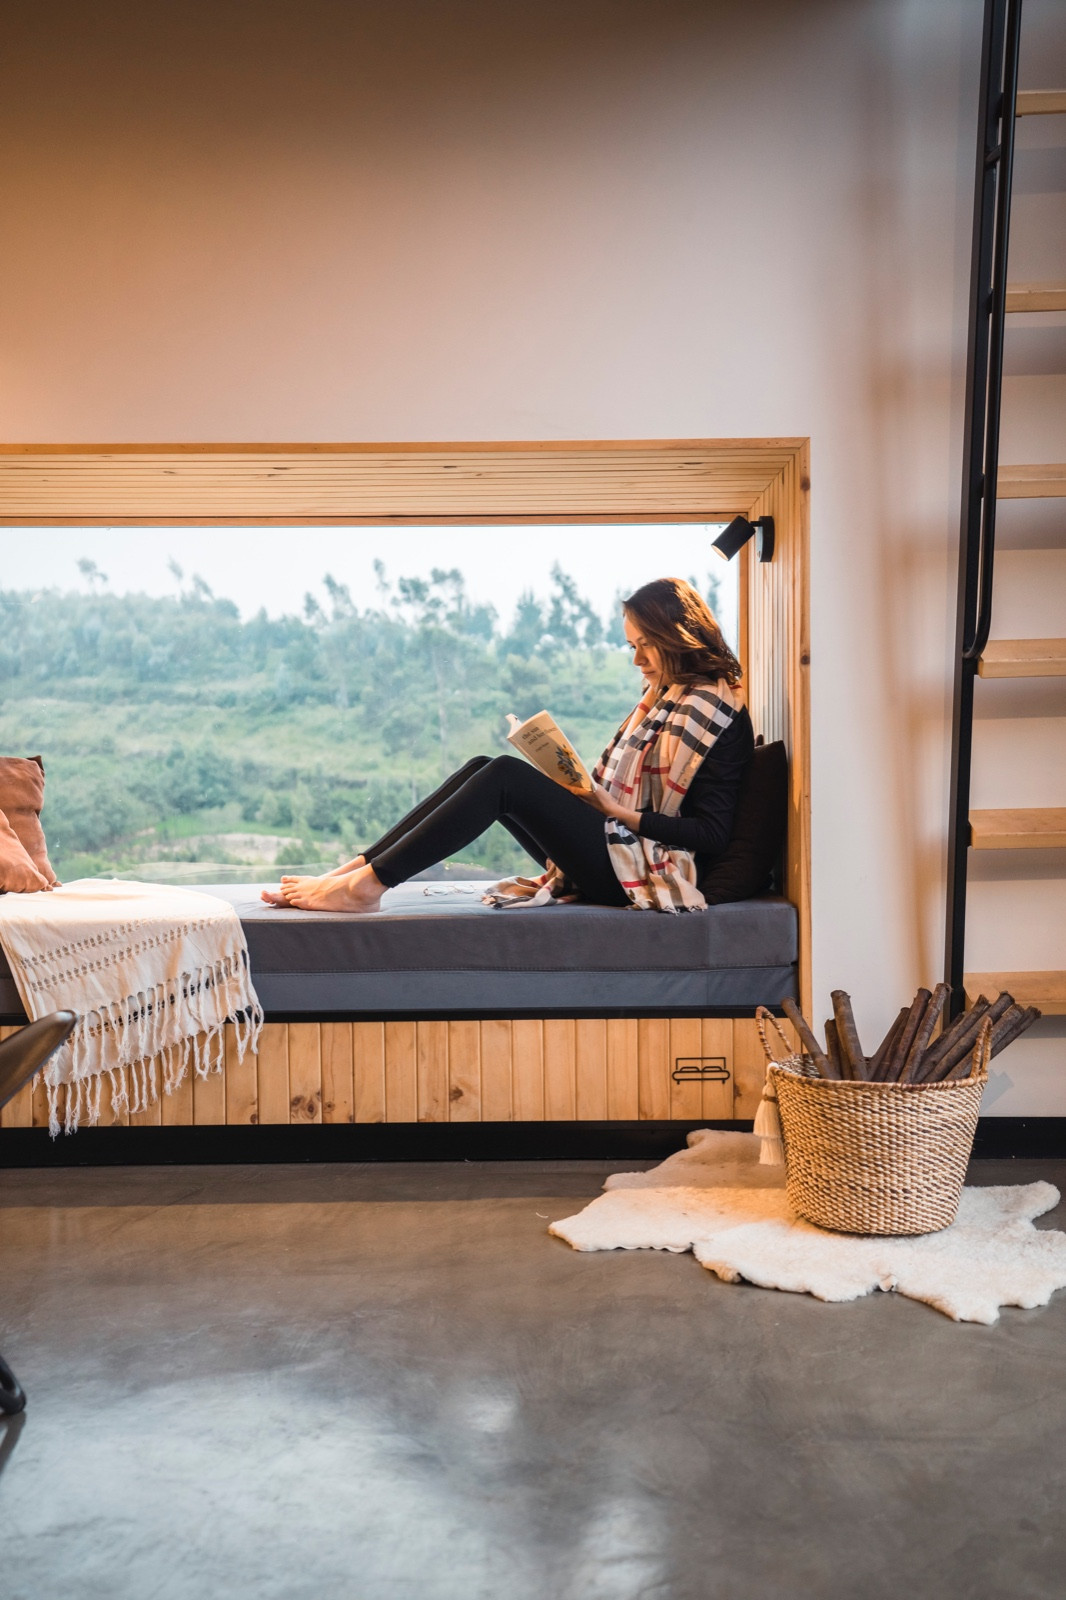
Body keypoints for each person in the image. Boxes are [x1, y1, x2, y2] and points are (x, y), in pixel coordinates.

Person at [261, 576, 754, 914]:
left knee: (504, 777)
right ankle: (355, 872)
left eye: (646, 645)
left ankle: (366, 888)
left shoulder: (718, 714)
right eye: (632, 647)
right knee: (483, 765)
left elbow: (712, 835)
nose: (637, 661)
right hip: (618, 848)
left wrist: (613, 810)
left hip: (647, 869)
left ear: (678, 637)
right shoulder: (668, 698)